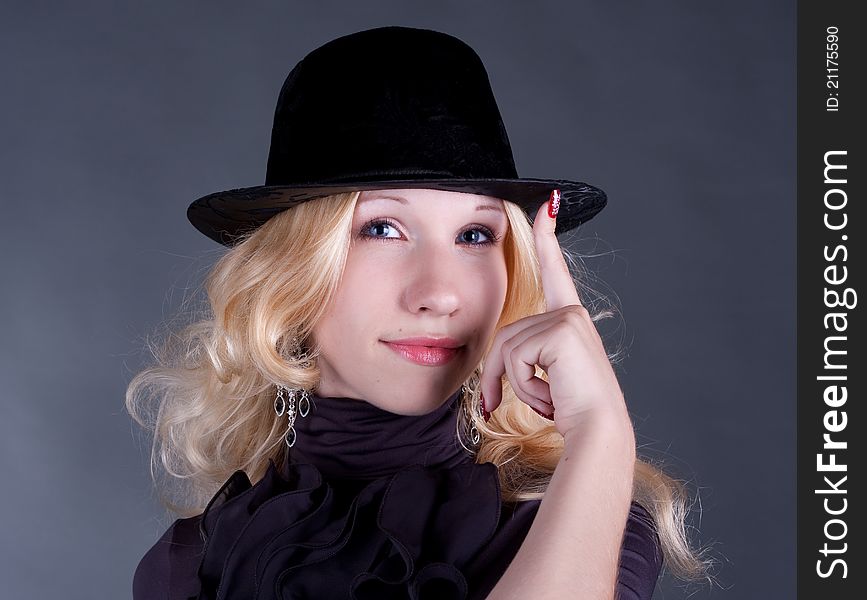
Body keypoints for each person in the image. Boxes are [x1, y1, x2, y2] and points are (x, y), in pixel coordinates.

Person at [127, 25, 711, 599]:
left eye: (477, 235)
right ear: (293, 268)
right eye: (383, 228)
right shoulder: (195, 564)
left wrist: (602, 433)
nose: (441, 294)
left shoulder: (579, 524)